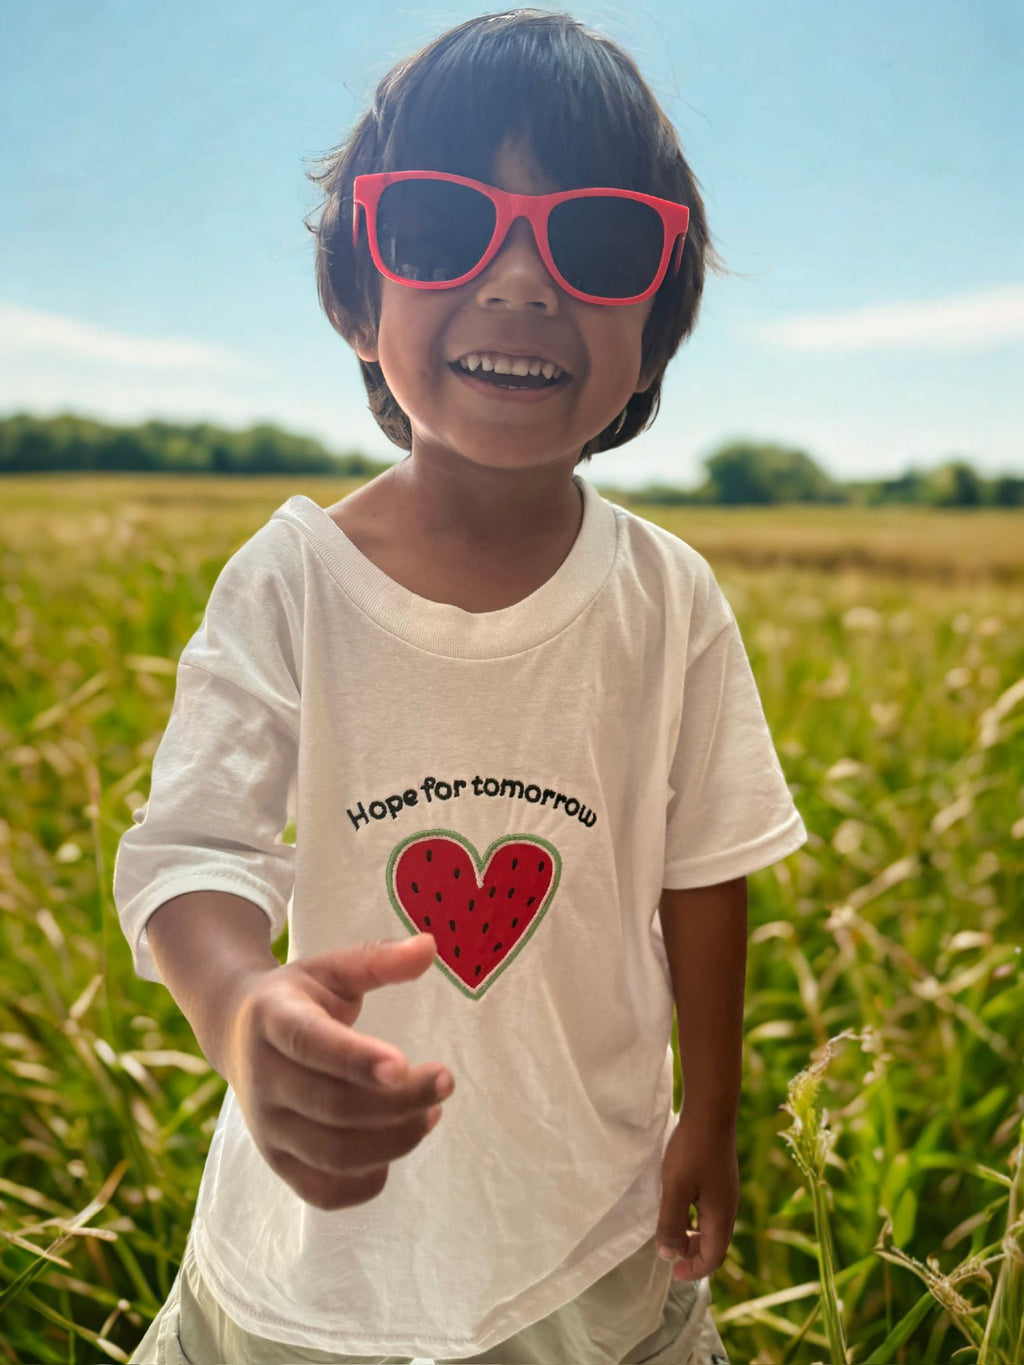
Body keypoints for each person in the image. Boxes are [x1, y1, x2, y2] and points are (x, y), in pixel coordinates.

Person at [114, 9, 808, 1363]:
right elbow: (192, 851)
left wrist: (712, 1112)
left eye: (596, 242)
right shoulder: (293, 579)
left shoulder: (668, 597)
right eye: (440, 227)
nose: (522, 281)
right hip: (314, 1258)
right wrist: (242, 1008)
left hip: (589, 1229)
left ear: (659, 318)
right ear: (354, 297)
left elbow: (705, 871)